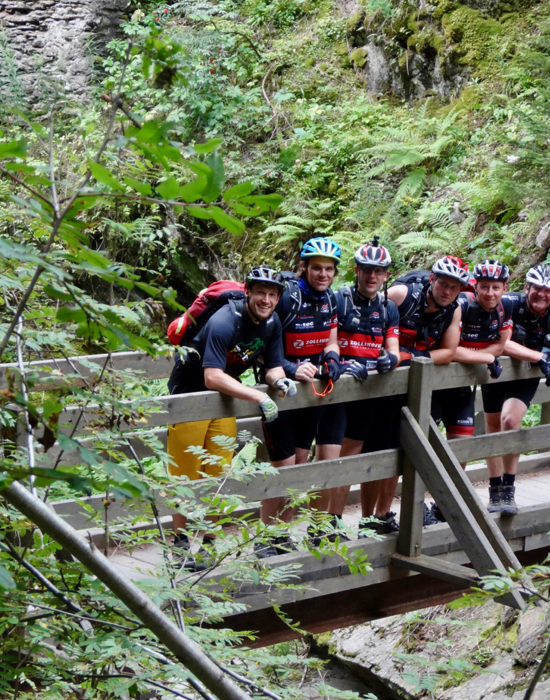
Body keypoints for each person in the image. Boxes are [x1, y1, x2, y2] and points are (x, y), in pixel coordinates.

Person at [166, 266, 292, 571]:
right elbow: (211, 376)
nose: (266, 299)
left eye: (272, 294)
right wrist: (259, 396)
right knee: (186, 474)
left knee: (216, 472)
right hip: (189, 398)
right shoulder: (225, 320)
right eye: (260, 292)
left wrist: (278, 382)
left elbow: (274, 366)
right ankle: (180, 545)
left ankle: (209, 542)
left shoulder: (271, 323)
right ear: (247, 291)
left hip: (224, 402)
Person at [258, 237, 344, 557]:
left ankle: (283, 536)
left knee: (299, 465)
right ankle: (268, 539)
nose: (323, 274)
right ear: (304, 267)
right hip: (280, 393)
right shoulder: (288, 298)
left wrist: (332, 358)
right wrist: (294, 367)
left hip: (308, 397)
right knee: (282, 468)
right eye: (317, 268)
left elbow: (331, 340)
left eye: (329, 269)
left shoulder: (330, 300)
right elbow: (265, 346)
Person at [482, 263, 550, 516]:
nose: (541, 294)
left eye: (548, 290)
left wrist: (548, 351)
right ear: (527, 288)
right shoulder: (508, 304)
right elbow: (498, 343)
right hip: (495, 371)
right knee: (492, 428)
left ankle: (508, 488)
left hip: (524, 377)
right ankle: (494, 488)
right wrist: (539, 356)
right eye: (537, 288)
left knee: (510, 421)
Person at [387, 254, 469, 525]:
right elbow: (369, 326)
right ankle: (380, 515)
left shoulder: (454, 308)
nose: (447, 292)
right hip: (386, 380)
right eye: (443, 284)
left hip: (419, 380)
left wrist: (409, 358)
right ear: (432, 279)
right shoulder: (401, 294)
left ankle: (418, 507)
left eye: (454, 287)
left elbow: (448, 352)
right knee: (388, 448)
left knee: (419, 443)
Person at [331, 238, 402, 536]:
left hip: (375, 393)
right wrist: (344, 365)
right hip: (343, 392)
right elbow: (328, 343)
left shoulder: (388, 308)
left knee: (373, 453)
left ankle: (369, 520)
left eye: (378, 271)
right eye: (367, 270)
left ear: (386, 275)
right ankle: (330, 519)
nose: (372, 276)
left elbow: (394, 349)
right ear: (357, 270)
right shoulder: (339, 299)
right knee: (343, 455)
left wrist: (391, 360)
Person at [448, 260, 514, 451]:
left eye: (495, 287)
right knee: (426, 439)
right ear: (475, 286)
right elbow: (450, 350)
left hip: (464, 384)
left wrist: (471, 355)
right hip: (439, 378)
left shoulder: (505, 307)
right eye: (484, 287)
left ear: (504, 288)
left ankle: (454, 482)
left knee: (462, 442)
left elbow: (499, 347)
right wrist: (487, 358)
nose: (490, 293)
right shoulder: (462, 304)